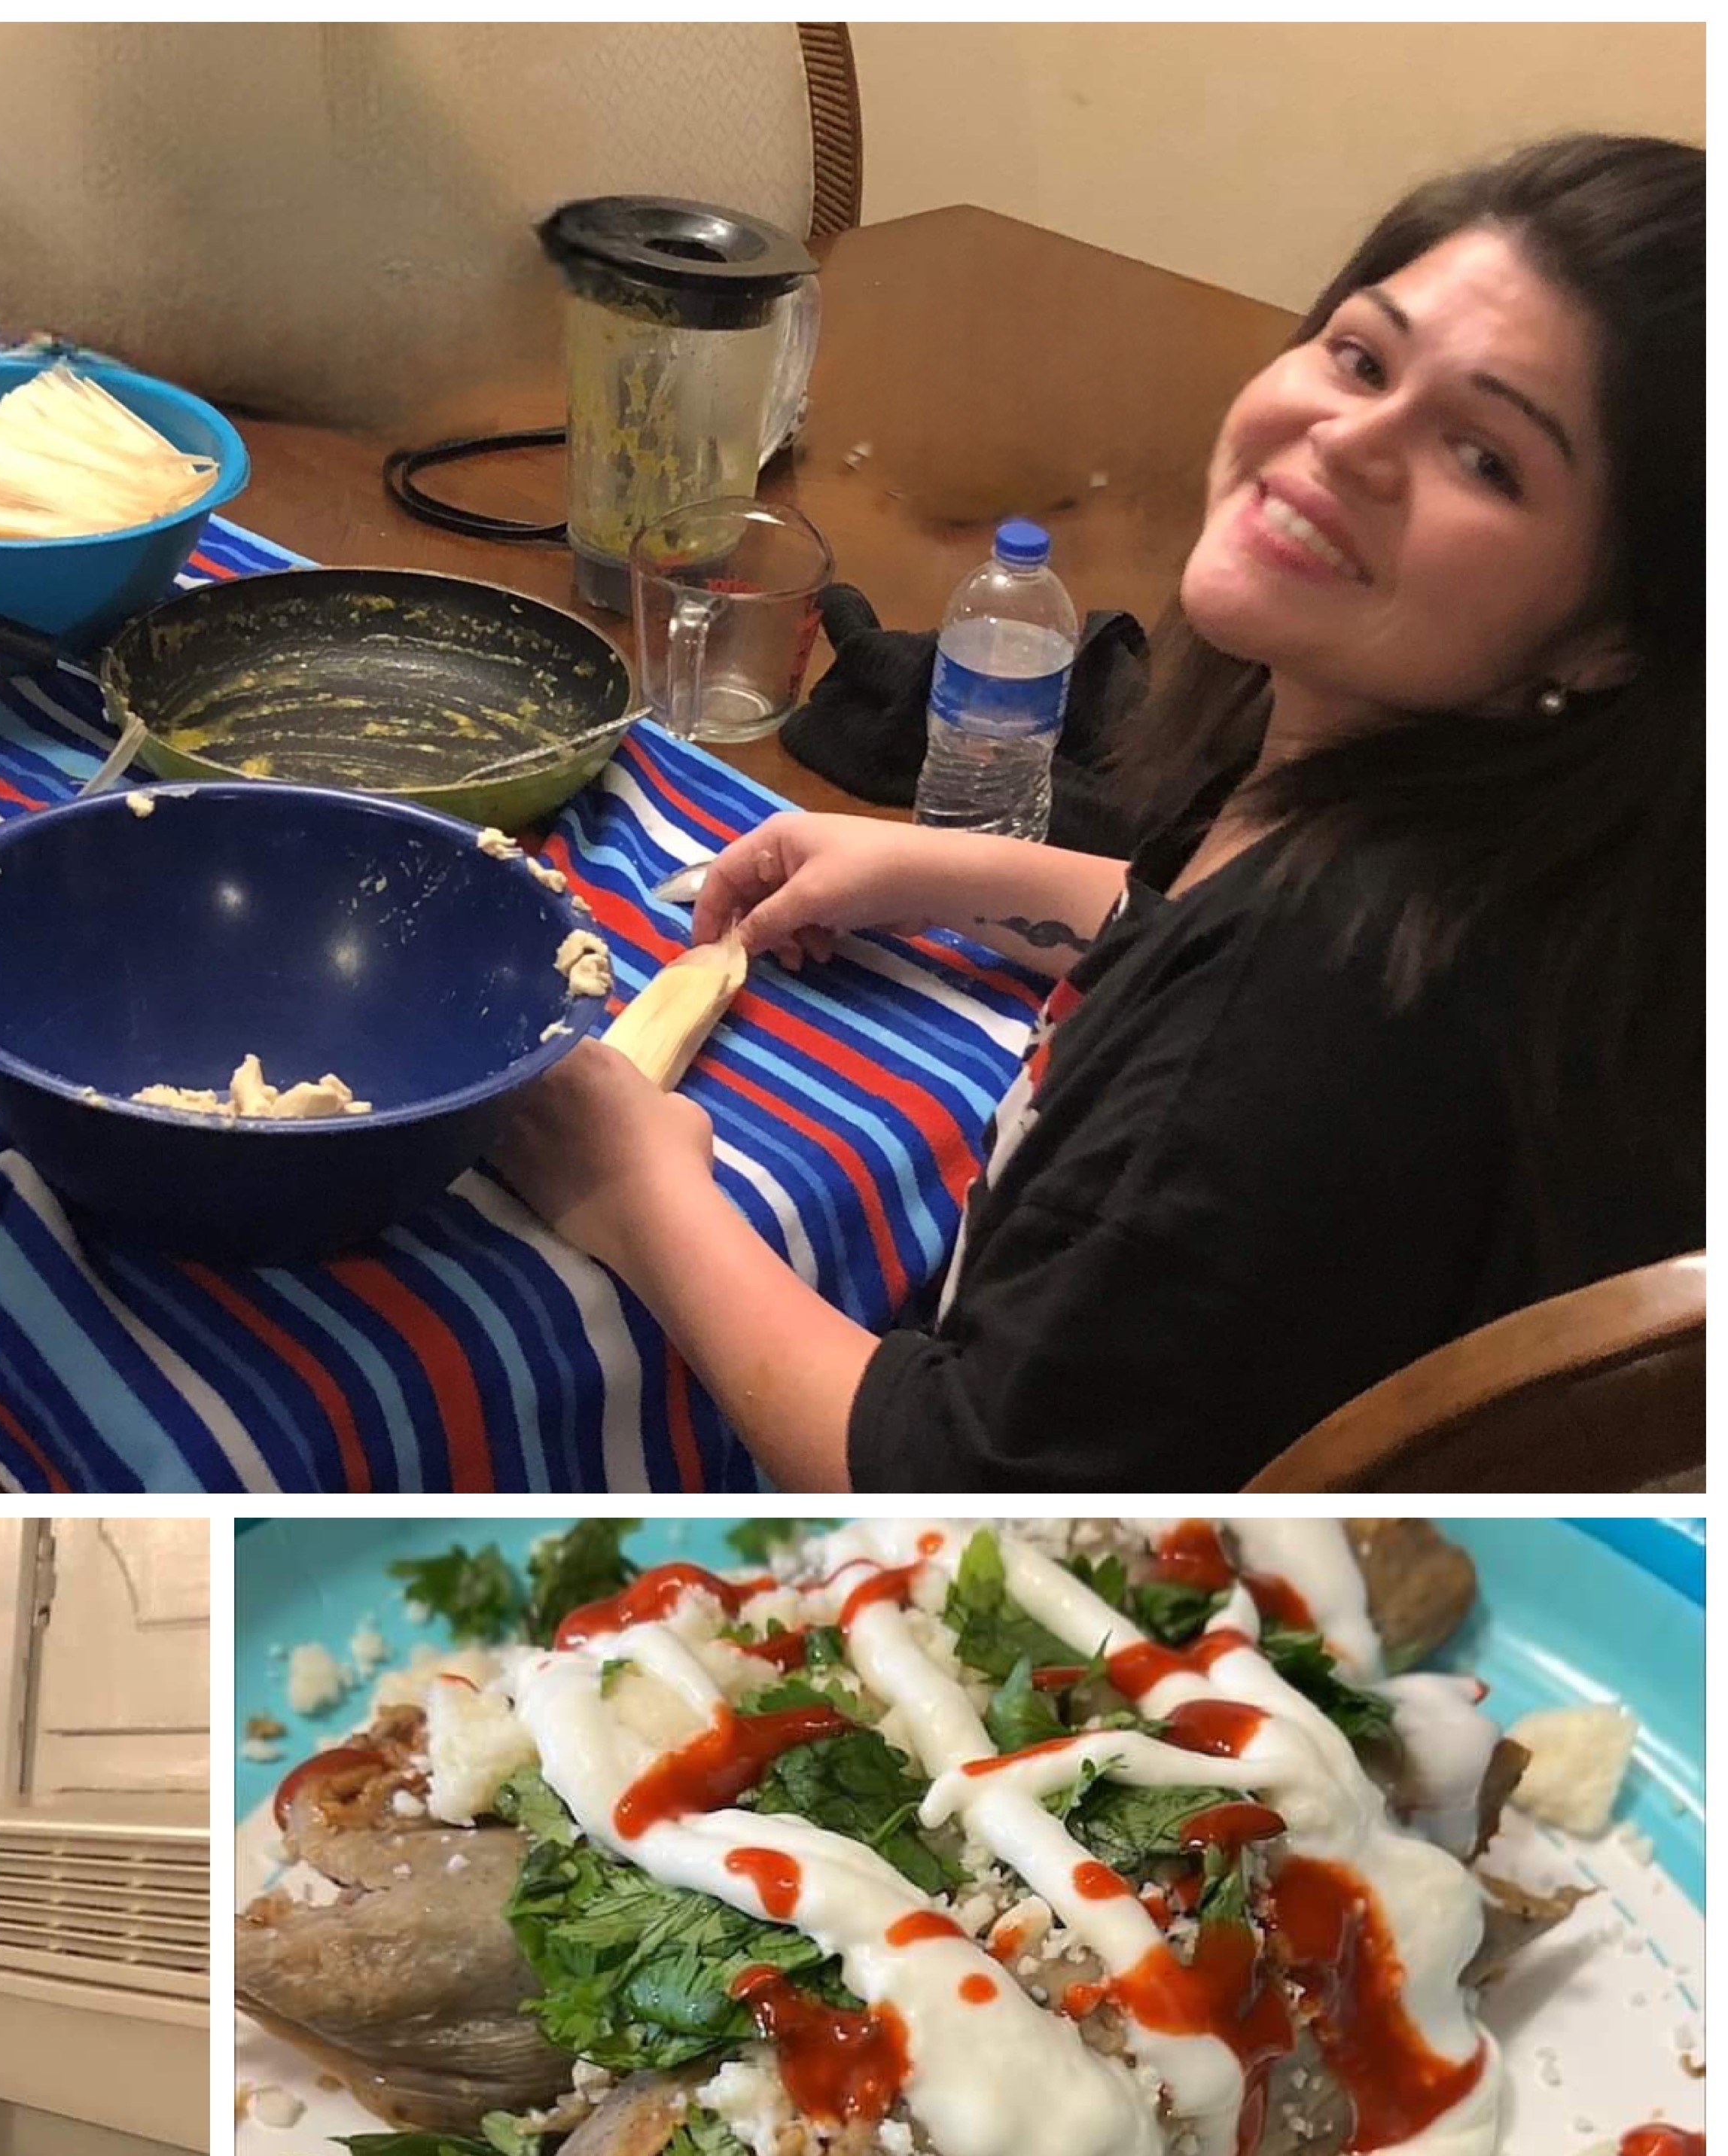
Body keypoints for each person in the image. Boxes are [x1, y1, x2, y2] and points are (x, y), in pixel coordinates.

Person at [498, 135, 1702, 1488]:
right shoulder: (1514, 853)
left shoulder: (1324, 1000)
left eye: (1486, 457)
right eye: (1363, 359)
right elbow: (1195, 943)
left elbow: (968, 1494)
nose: (1348, 442)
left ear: (1616, 641)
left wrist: (637, 1189)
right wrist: (952, 871)